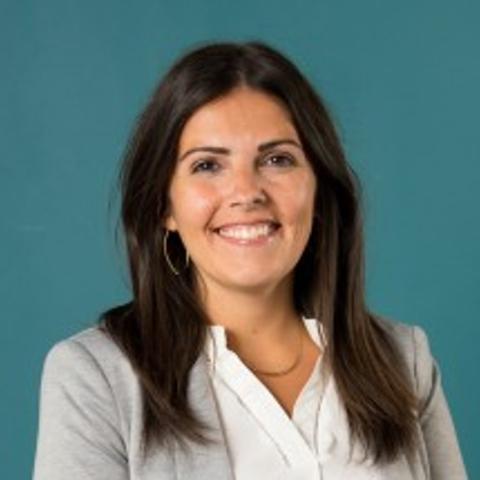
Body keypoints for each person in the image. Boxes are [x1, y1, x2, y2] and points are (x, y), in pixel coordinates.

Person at [32, 41, 467, 479]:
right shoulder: (97, 377)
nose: (246, 192)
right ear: (165, 206)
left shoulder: (402, 361)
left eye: (277, 159)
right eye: (207, 165)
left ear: (318, 191)